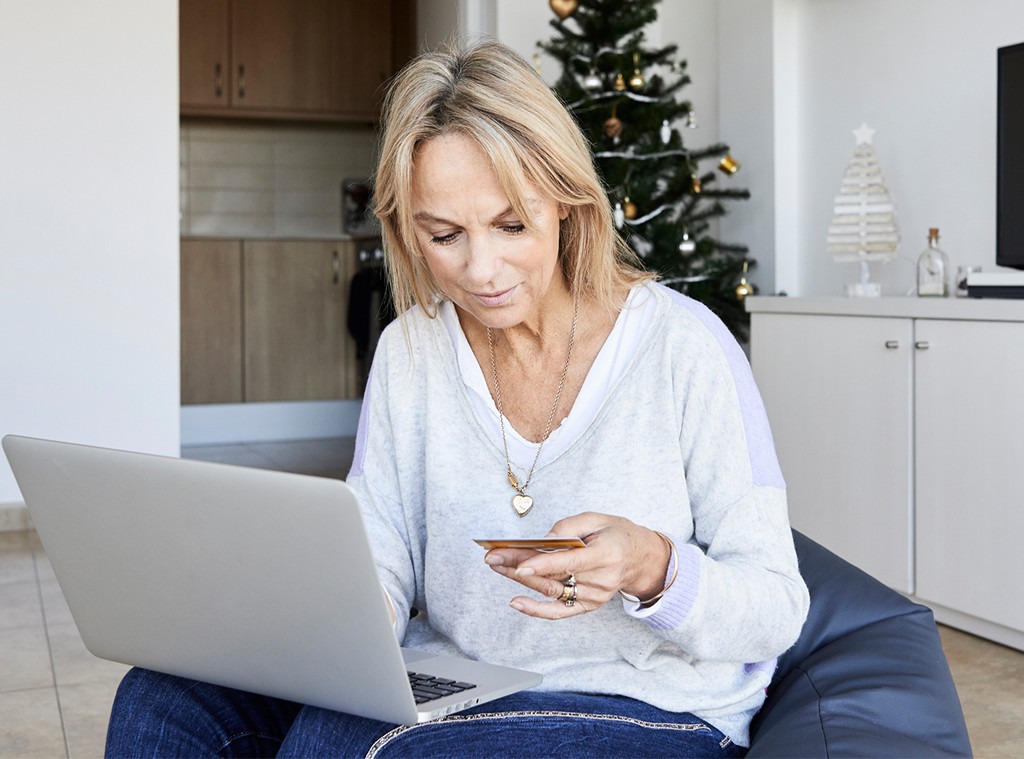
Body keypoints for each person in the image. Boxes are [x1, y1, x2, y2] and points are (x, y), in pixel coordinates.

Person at [106, 38, 809, 757]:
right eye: (444, 235)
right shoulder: (410, 351)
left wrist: (650, 564)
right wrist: (351, 621)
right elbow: (381, 548)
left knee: (347, 747)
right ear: (408, 228)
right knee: (162, 700)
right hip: (457, 682)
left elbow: (776, 606)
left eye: (511, 225)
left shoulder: (684, 346)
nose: (481, 270)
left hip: (644, 702)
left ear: (566, 201)